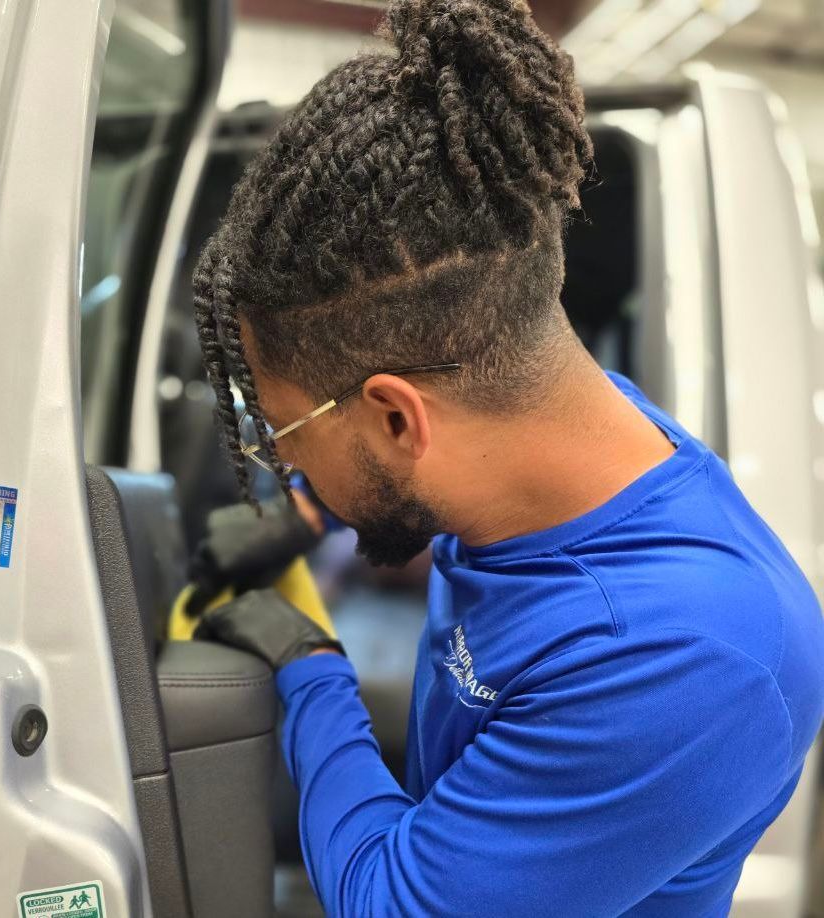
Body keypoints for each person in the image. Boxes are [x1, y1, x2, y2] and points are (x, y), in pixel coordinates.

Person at [189, 0, 824, 914]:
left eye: (285, 434)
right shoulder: (553, 435)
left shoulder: (682, 661)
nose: (282, 465)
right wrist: (303, 517)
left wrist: (306, 663)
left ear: (399, 420)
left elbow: (389, 904)